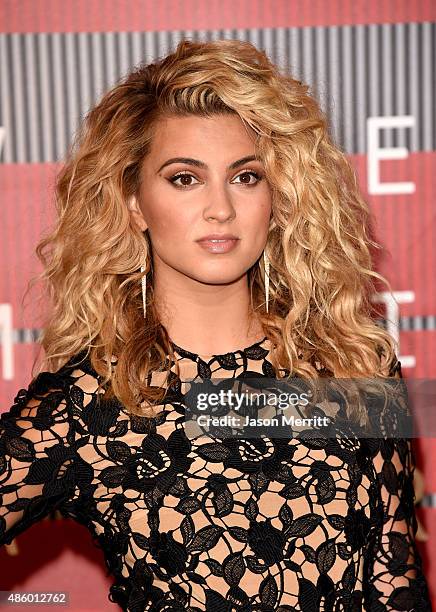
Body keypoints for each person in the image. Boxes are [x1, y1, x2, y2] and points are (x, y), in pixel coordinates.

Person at [0, 39, 431, 611]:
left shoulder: (356, 367)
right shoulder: (88, 407)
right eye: (185, 178)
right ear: (134, 202)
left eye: (246, 176)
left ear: (278, 195)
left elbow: (395, 586)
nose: (221, 208)